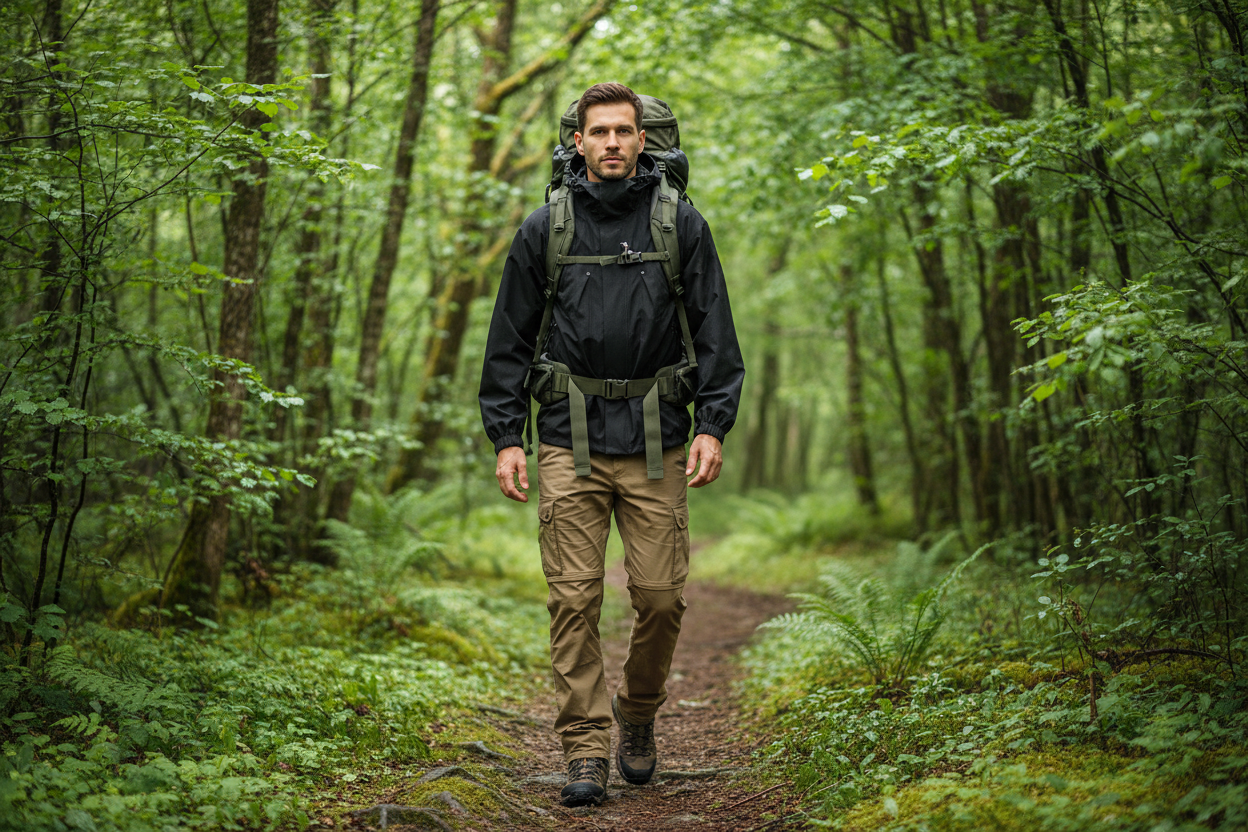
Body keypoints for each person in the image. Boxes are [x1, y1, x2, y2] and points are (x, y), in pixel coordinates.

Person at [478, 82, 744, 807]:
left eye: (625, 132)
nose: (614, 144)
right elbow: (508, 340)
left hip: (657, 438)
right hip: (568, 439)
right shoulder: (545, 228)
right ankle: (586, 750)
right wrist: (509, 438)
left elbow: (716, 332)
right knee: (574, 599)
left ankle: (638, 713)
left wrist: (714, 423)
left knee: (659, 599)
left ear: (644, 140)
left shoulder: (681, 224)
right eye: (600, 133)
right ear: (578, 143)